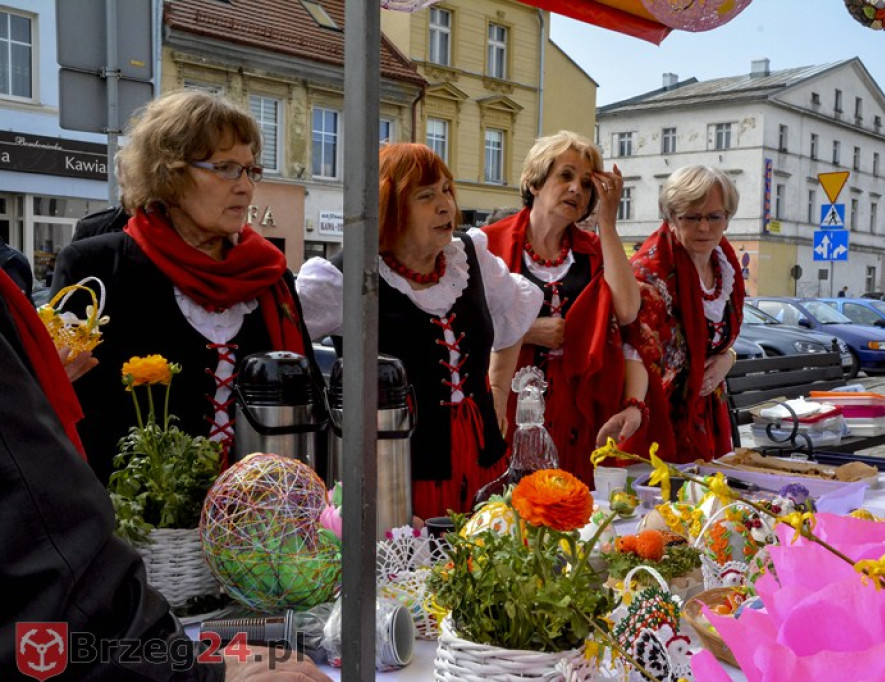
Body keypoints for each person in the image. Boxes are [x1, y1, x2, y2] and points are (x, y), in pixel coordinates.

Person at [0, 270, 328, 682]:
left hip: (211, 555)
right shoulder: (107, 263)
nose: (244, 200)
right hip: (127, 590)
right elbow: (40, 547)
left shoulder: (268, 276)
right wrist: (186, 671)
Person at [51, 90, 317, 485]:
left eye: (249, 170)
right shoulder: (96, 268)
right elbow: (62, 413)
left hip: (260, 525)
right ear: (169, 174)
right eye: (226, 168)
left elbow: (308, 400)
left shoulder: (270, 276)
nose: (245, 187)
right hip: (136, 530)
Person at [297, 143, 542, 519]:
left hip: (484, 461)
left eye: (446, 189)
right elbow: (283, 339)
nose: (446, 205)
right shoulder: (343, 279)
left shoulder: (470, 257)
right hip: (396, 478)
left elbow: (515, 311)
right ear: (389, 206)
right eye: (426, 196)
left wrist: (497, 386)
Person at [480, 130, 643, 488]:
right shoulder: (489, 243)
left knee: (569, 510)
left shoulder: (593, 249)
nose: (576, 189)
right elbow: (464, 326)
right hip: (509, 403)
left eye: (586, 184)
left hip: (576, 408)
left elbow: (628, 311)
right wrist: (527, 331)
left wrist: (608, 223)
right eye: (565, 176)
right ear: (535, 182)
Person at [627, 164, 744, 463]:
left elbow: (719, 339)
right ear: (670, 217)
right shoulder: (649, 273)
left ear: (727, 218)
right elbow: (638, 351)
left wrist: (727, 359)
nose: (704, 227)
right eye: (691, 217)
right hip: (662, 419)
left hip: (709, 412)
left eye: (714, 217)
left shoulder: (723, 263)